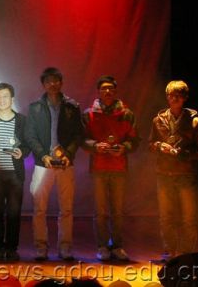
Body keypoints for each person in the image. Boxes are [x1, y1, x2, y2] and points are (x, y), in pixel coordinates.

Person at [26, 67, 83, 261]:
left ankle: (65, 248)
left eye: (56, 80)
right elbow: (30, 136)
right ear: (43, 84)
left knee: (66, 209)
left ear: (61, 82)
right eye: (48, 81)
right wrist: (43, 156)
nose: (52, 84)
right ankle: (41, 247)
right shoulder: (35, 108)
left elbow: (78, 134)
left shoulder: (72, 107)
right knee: (39, 209)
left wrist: (69, 154)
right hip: (43, 165)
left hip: (65, 164)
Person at [149, 80, 198, 261]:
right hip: (164, 174)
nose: (174, 99)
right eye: (171, 95)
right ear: (167, 97)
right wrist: (159, 146)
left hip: (185, 174)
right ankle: (170, 252)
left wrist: (182, 153)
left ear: (185, 98)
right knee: (166, 217)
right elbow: (151, 144)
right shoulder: (158, 120)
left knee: (188, 217)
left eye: (178, 96)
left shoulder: (195, 121)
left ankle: (186, 253)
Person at [82, 75, 139, 261]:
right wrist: (95, 146)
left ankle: (117, 246)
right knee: (100, 212)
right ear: (98, 91)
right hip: (98, 168)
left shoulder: (126, 114)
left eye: (111, 89)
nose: (107, 91)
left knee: (118, 212)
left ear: (115, 91)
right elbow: (82, 139)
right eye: (104, 88)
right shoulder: (89, 114)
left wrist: (124, 148)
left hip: (119, 168)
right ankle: (102, 246)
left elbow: (135, 140)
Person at [0, 82, 30, 262]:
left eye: (5, 96)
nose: (2, 100)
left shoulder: (22, 120)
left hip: (15, 174)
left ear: (12, 99)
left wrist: (23, 152)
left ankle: (12, 248)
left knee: (14, 212)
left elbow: (28, 143)